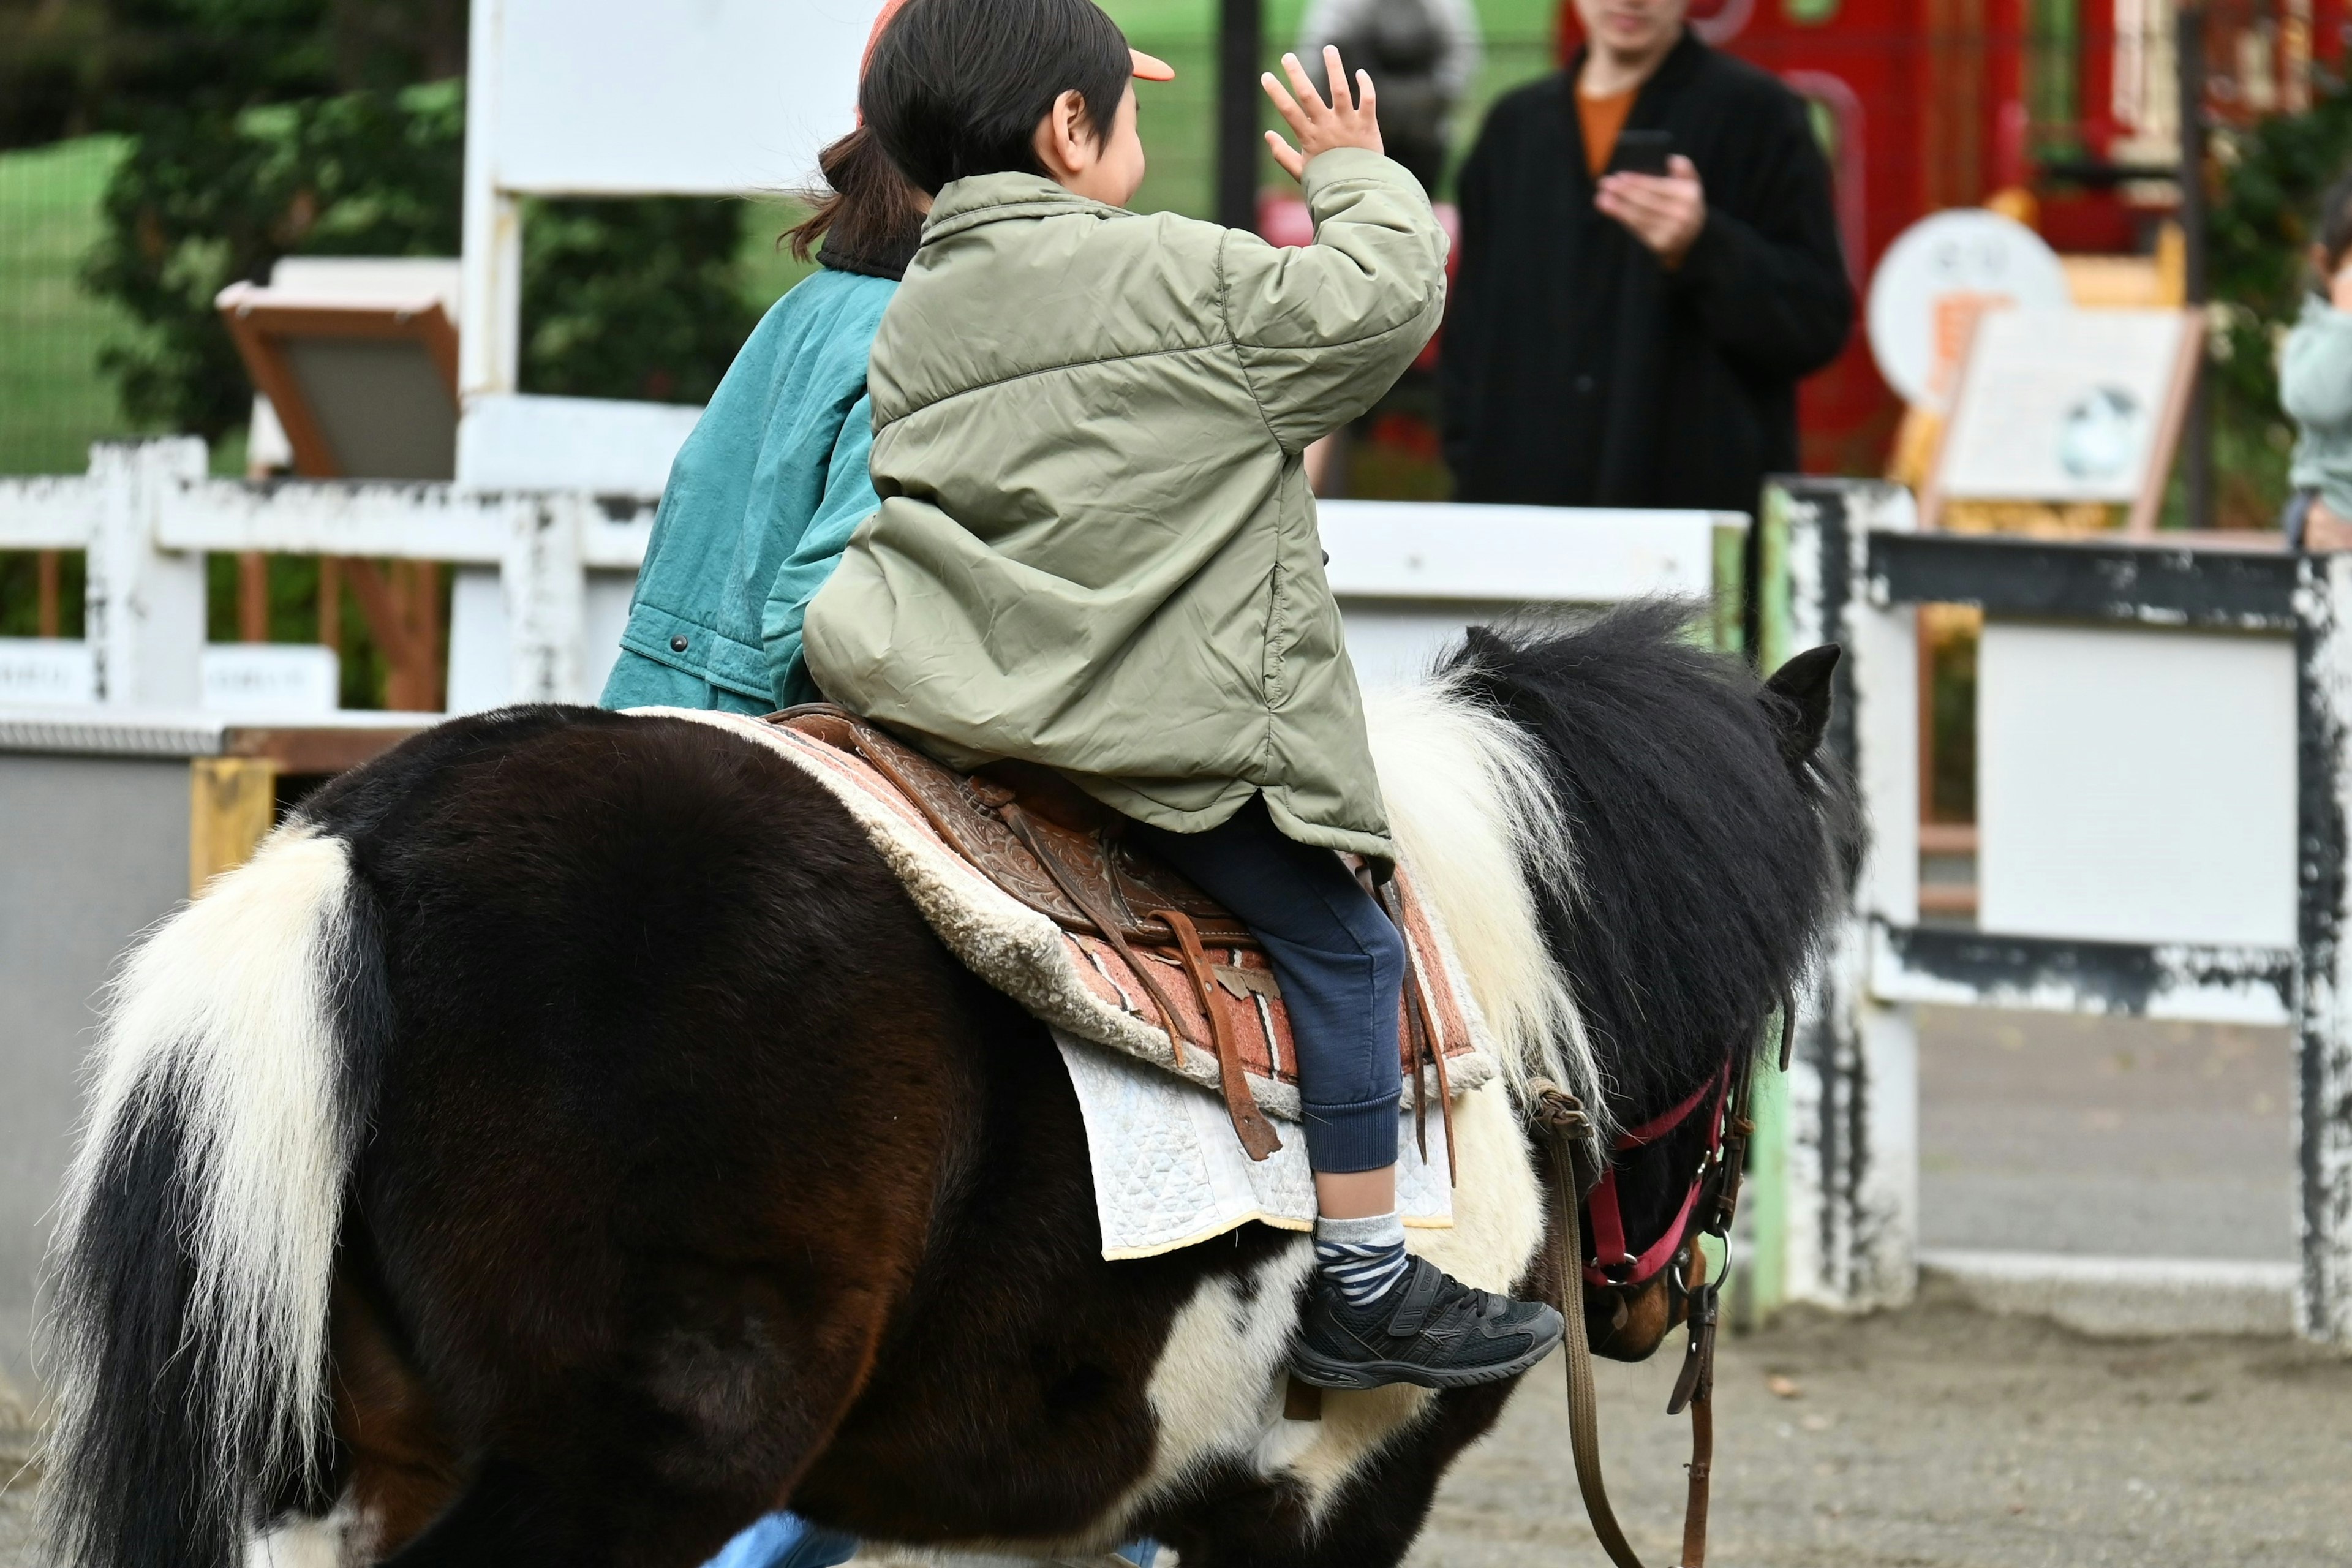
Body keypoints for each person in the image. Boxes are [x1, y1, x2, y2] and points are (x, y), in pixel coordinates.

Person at [805, 0, 1566, 1389]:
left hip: (960, 718)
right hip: (1150, 739)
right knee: (1350, 950)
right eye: (1127, 113)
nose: (1137, 136)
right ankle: (1363, 1276)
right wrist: (1352, 170)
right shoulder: (1181, 278)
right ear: (1070, 131)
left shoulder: (915, 316)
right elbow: (1382, 307)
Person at [597, 7, 924, 716]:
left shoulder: (808, 307)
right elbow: (828, 621)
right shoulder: (921, 335)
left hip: (659, 725)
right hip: (758, 780)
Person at [1438, 0, 1852, 511]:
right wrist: (1471, 456)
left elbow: (1818, 318)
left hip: (1692, 527)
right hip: (1522, 519)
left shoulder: (1760, 117)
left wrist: (1703, 245)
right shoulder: (1514, 131)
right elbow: (1469, 333)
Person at [2282, 170, 2352, 552]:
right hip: (2334, 513)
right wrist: (2348, 324)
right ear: (2328, 267)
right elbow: (2318, 404)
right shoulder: (2319, 336)